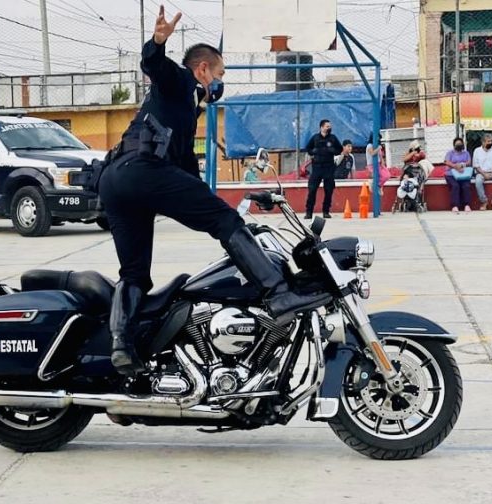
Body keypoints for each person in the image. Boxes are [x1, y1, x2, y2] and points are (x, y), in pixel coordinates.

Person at [97, 5, 326, 374]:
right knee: (224, 221)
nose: (220, 82)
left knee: (135, 273)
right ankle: (278, 294)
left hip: (116, 181)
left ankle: (122, 345)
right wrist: (157, 43)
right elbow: (156, 66)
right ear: (202, 70)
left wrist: (205, 200)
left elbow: (185, 166)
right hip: (143, 172)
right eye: (219, 74)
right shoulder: (180, 83)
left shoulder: (186, 109)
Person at [303, 119, 342, 219]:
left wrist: (332, 150)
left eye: (330, 126)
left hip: (329, 167)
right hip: (317, 167)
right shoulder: (315, 138)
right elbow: (308, 148)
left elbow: (339, 149)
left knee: (329, 190)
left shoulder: (333, 138)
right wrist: (313, 152)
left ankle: (326, 211)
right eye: (327, 126)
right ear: (322, 127)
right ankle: (309, 212)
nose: (329, 128)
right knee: (312, 190)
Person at [443, 137, 472, 213]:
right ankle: (455, 206)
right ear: (454, 145)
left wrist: (462, 165)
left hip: (463, 174)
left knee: (466, 186)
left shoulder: (466, 153)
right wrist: (455, 166)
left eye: (460, 144)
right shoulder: (450, 153)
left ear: (463, 145)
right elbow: (446, 162)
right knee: (455, 186)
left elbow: (469, 162)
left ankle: (467, 205)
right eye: (457, 144)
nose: (459, 145)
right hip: (451, 174)